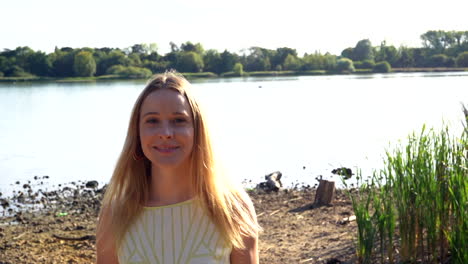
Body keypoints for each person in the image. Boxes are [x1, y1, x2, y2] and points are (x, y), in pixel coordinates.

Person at [96, 71, 261, 263]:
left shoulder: (232, 209)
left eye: (179, 120)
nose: (166, 133)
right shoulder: (116, 213)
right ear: (137, 132)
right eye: (152, 121)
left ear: (198, 129)